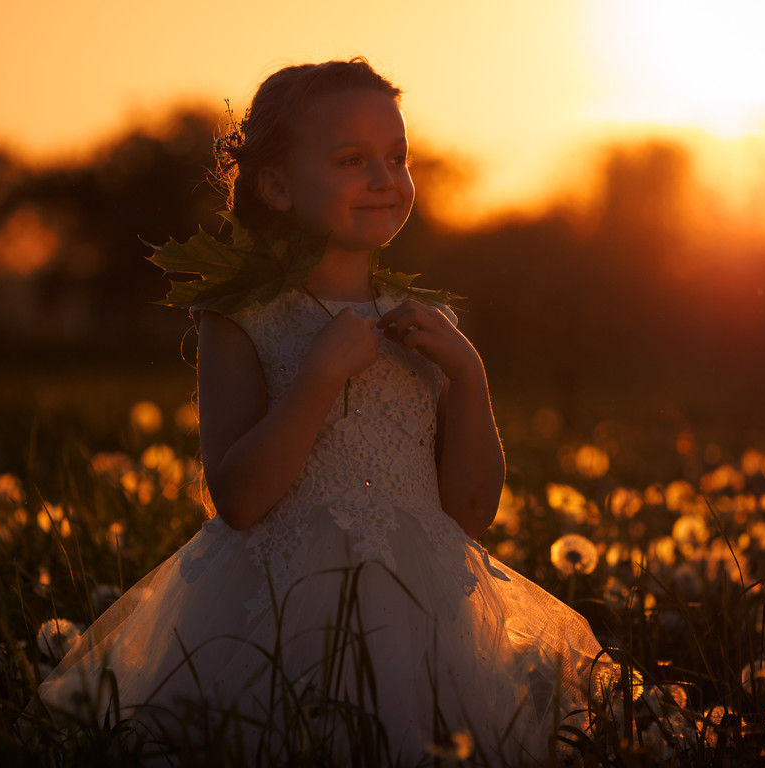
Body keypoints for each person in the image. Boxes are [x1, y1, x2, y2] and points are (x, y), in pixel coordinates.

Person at [39, 58, 608, 766]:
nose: (384, 178)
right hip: (280, 603)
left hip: (427, 604)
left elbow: (469, 509)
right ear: (276, 186)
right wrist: (318, 378)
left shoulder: (429, 325)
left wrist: (469, 373)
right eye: (350, 159)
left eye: (397, 157)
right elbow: (239, 499)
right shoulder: (243, 318)